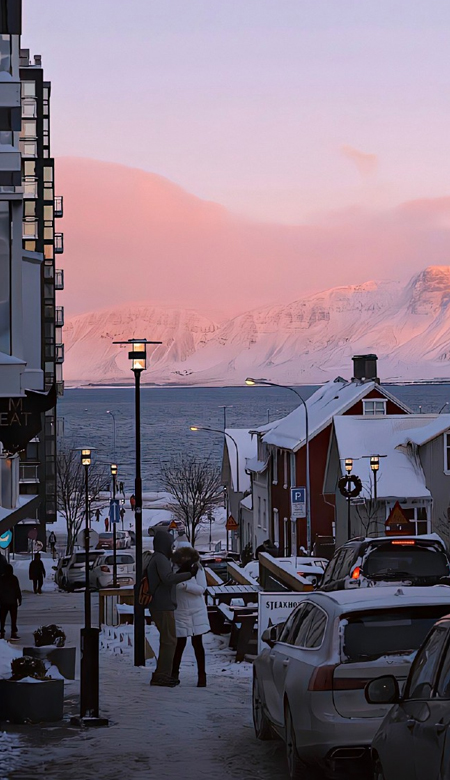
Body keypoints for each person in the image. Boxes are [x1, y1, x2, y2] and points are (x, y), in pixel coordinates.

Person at [146, 530, 195, 688]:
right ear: (164, 544)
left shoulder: (158, 558)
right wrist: (188, 574)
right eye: (170, 544)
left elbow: (166, 576)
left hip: (161, 604)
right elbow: (167, 579)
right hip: (163, 605)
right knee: (169, 641)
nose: (172, 547)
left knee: (168, 640)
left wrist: (182, 572)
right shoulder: (160, 558)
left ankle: (162, 674)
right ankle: (162, 675)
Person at [171, 546, 209, 687]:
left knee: (197, 643)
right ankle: (174, 674)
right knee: (179, 644)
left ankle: (202, 676)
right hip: (180, 611)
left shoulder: (197, 569)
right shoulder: (173, 568)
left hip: (196, 611)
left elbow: (202, 589)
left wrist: (186, 586)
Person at [0, 564, 21, 640]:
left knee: (2, 618)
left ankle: (1, 631)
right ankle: (13, 632)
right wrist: (19, 598)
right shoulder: (14, 578)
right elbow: (17, 589)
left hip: (3, 602)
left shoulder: (2, 579)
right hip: (13, 602)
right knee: (13, 618)